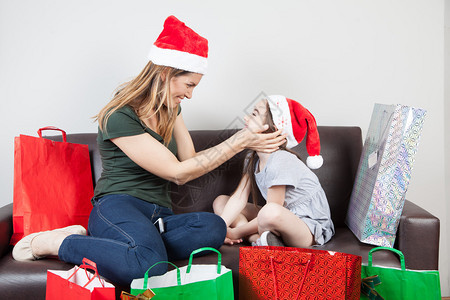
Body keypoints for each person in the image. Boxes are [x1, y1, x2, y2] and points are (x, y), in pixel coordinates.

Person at [11, 16, 286, 285]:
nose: (190, 95)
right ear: (166, 74)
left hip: (159, 217)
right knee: (147, 265)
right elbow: (179, 173)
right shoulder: (119, 115)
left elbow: (190, 161)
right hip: (118, 206)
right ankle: (62, 242)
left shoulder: (172, 108)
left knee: (213, 228)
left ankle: (127, 247)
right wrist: (239, 140)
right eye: (188, 85)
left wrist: (246, 142)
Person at [213, 95, 334, 247]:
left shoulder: (281, 160)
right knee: (221, 202)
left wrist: (235, 233)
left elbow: (274, 209)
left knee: (269, 212)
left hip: (307, 227)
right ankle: (258, 238)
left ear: (273, 129)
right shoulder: (252, 156)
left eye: (255, 114)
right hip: (278, 216)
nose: (246, 117)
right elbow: (239, 197)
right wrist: (220, 229)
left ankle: (247, 235)